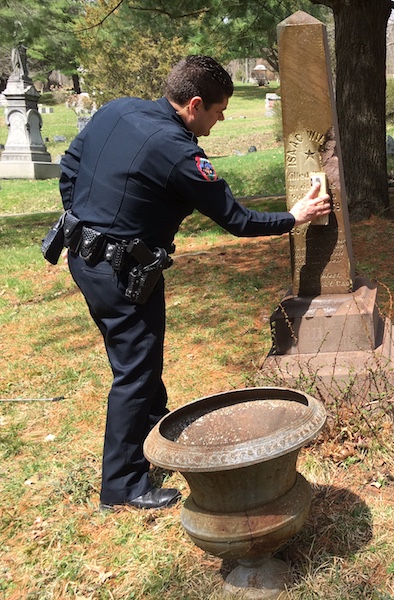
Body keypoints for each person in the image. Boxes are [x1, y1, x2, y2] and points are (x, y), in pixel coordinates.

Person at [57, 55, 331, 511]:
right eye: (219, 111)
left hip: (86, 259)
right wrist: (294, 217)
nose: (219, 121)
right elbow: (237, 220)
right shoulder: (178, 151)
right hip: (122, 273)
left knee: (136, 356)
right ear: (195, 104)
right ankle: (122, 486)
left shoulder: (117, 109)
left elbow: (70, 167)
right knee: (135, 371)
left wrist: (88, 222)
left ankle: (154, 429)